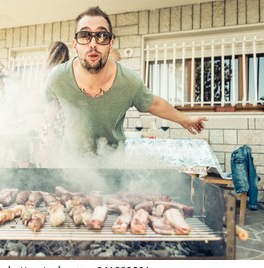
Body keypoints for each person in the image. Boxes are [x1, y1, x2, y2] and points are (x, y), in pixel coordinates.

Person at [43, 6, 208, 168]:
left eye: (102, 35)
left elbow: (154, 103)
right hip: (70, 164)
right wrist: (47, 164)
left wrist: (185, 120)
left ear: (111, 43)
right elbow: (48, 122)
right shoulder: (58, 78)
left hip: (111, 164)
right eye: (85, 35)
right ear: (75, 44)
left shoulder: (129, 80)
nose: (93, 43)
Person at [39, 42, 70, 167]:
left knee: (48, 157)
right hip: (60, 119)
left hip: (53, 119)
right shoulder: (63, 73)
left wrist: (49, 128)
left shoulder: (48, 74)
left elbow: (51, 103)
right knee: (58, 158)